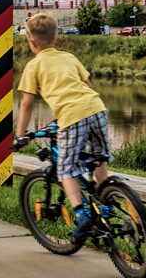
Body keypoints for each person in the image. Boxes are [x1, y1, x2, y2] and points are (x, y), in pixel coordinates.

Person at [15, 13, 112, 241]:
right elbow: (88, 85)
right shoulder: (69, 57)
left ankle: (81, 214)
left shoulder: (34, 65)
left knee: (66, 169)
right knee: (99, 157)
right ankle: (105, 201)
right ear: (56, 36)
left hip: (71, 116)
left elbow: (27, 104)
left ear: (30, 41)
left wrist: (20, 136)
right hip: (97, 108)